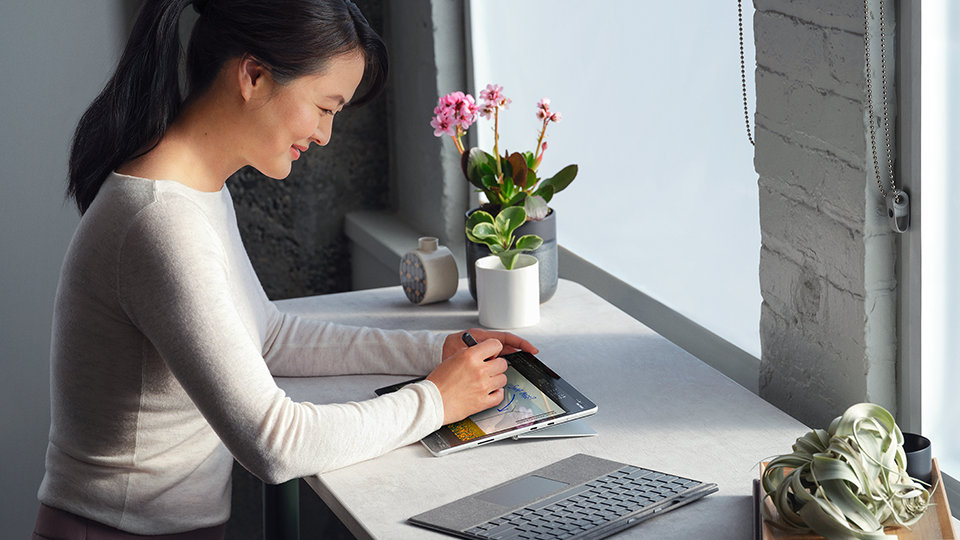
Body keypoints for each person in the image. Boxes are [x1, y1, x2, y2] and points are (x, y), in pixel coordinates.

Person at [34, 1, 537, 538]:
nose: (325, 135)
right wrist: (435, 401)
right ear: (253, 75)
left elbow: (268, 336)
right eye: (324, 106)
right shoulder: (161, 221)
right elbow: (275, 444)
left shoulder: (192, 191)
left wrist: (434, 353)